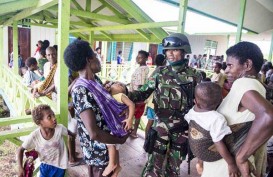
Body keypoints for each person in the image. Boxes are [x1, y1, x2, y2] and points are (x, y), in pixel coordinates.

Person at [128, 33, 202, 177]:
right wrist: (124, 93)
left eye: (175, 50)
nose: (170, 54)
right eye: (168, 51)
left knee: (173, 169)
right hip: (161, 126)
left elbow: (202, 104)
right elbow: (142, 94)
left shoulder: (195, 76)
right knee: (153, 167)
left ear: (184, 51)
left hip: (182, 129)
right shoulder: (159, 73)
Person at [201, 41, 273, 177]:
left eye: (230, 65)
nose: (226, 70)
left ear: (247, 65)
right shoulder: (253, 84)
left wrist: (241, 157)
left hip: (228, 168)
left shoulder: (244, 83)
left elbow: (269, 116)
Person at [64, 39, 129, 177]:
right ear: (89, 60)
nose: (99, 60)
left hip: (108, 146)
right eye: (96, 56)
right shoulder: (81, 90)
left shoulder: (95, 81)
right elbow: (94, 133)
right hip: (98, 153)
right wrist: (120, 141)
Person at [185, 82, 240, 176]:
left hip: (195, 149)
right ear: (221, 100)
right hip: (209, 154)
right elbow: (218, 142)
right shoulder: (216, 118)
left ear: (196, 102)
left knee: (202, 136)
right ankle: (201, 162)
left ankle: (200, 162)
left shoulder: (193, 110)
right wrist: (231, 163)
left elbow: (187, 119)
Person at [17, 104, 72, 177]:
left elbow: (71, 135)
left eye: (53, 115)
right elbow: (20, 149)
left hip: (60, 166)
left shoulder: (60, 129)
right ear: (40, 122)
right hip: (45, 166)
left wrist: (71, 153)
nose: (54, 118)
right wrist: (20, 167)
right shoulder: (35, 135)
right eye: (49, 117)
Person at [102, 81, 135, 176]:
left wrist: (129, 119)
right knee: (116, 147)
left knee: (109, 143)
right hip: (115, 125)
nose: (119, 84)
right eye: (116, 83)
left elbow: (131, 104)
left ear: (123, 92)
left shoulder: (120, 96)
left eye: (122, 86)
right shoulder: (109, 96)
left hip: (117, 126)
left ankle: (112, 164)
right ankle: (117, 167)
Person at [129, 50, 150, 138]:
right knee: (137, 115)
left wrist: (134, 96)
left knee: (134, 113)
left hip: (136, 96)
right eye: (137, 57)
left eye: (140, 57)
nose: (138, 58)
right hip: (139, 96)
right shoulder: (143, 68)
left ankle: (132, 131)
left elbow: (140, 85)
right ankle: (133, 131)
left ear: (145, 59)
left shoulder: (142, 69)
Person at [145, 54, 165, 138]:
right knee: (156, 124)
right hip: (156, 103)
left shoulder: (154, 71)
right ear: (164, 61)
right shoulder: (162, 72)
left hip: (151, 103)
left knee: (150, 122)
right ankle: (149, 142)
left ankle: (146, 141)